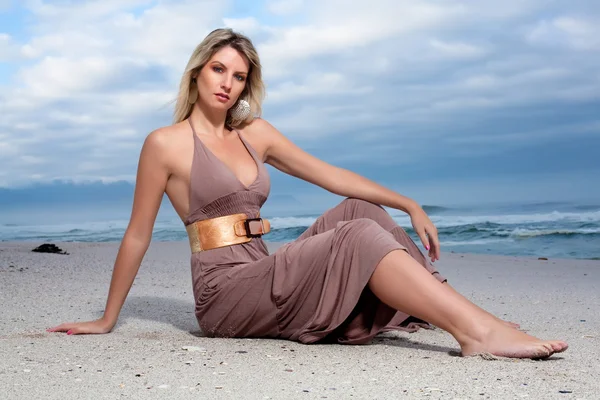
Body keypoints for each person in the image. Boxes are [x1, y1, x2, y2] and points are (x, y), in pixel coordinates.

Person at [47, 28, 567, 359]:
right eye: (218, 69)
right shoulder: (164, 144)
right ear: (198, 71)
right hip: (224, 293)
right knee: (359, 235)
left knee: (361, 209)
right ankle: (477, 333)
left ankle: (458, 311)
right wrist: (108, 317)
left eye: (239, 76)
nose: (227, 83)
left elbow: (331, 175)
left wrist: (407, 202)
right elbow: (138, 234)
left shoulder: (257, 133)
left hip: (263, 267)